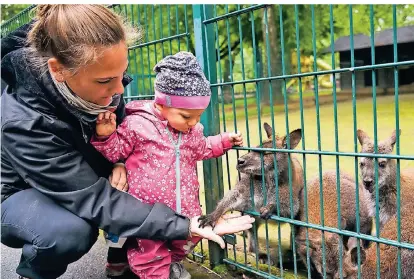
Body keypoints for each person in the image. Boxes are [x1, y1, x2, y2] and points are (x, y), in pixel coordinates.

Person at [0, 5, 254, 279]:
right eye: (107, 80)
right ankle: (35, 272)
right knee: (69, 232)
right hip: (20, 192)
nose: (120, 89)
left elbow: (116, 141)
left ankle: (121, 259)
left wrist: (119, 161)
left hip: (79, 180)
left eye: (122, 74)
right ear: (58, 70)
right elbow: (91, 198)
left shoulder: (106, 89)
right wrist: (185, 226)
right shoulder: (23, 122)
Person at [91, 51, 244, 279]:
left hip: (186, 210)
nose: (193, 123)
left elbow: (202, 148)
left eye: (198, 116)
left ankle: (172, 264)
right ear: (161, 104)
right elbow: (116, 152)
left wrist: (223, 141)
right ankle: (153, 273)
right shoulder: (137, 125)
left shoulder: (192, 132)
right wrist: (105, 136)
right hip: (147, 211)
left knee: (182, 244)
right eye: (186, 116)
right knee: (150, 253)